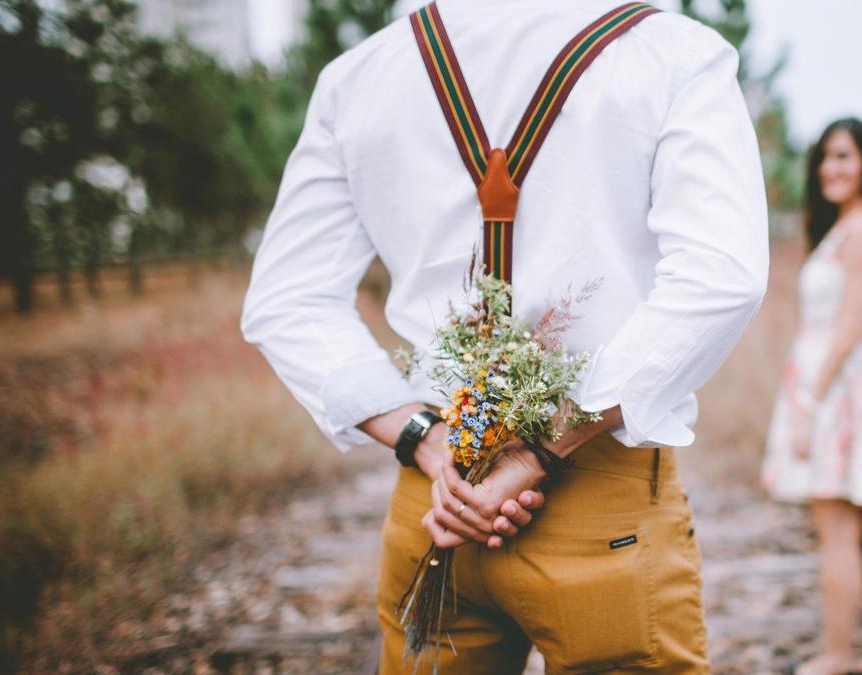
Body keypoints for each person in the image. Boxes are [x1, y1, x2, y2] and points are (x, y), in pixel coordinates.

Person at [240, 0, 769, 672]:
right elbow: (723, 275)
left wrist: (425, 439)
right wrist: (542, 446)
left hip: (439, 505)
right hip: (600, 500)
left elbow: (287, 297)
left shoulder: (359, 76)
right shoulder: (673, 54)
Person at [760, 118, 862, 675]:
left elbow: (852, 325)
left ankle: (837, 655)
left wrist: (810, 402)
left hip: (834, 390)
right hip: (844, 382)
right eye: (824, 159)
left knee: (839, 527)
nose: (830, 168)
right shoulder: (855, 226)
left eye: (843, 157)